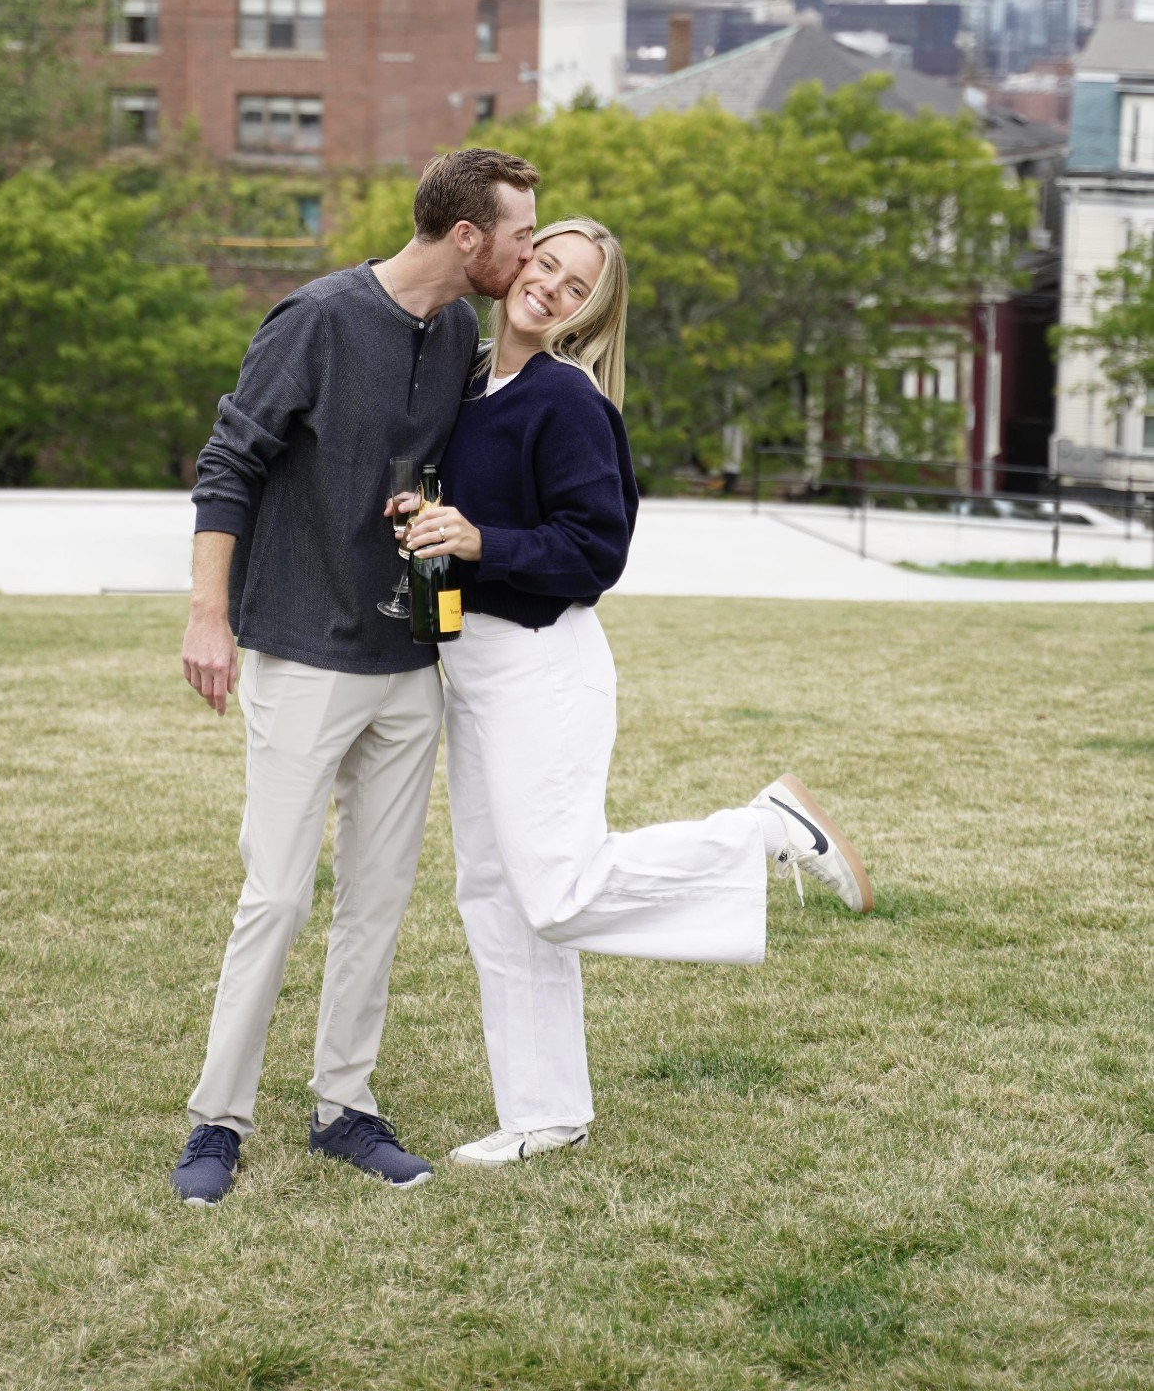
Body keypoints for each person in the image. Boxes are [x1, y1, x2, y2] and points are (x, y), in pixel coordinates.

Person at [402, 216, 873, 1167]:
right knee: (493, 893)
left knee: (558, 890)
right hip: (475, 665)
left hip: (545, 665)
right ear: (516, 262)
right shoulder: (470, 381)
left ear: (587, 315)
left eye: (576, 287)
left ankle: (765, 830)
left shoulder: (566, 400)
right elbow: (479, 507)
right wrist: (428, 516)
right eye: (546, 264)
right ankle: (544, 1113)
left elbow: (595, 552)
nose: (550, 288)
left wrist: (482, 542)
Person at [170, 147, 540, 1204]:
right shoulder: (319, 318)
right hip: (302, 649)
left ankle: (343, 1104)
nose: (525, 251)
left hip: (409, 655)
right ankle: (216, 1121)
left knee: (376, 898)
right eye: (518, 233)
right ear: (467, 236)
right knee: (277, 895)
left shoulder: (461, 327)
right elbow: (227, 461)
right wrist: (210, 616)